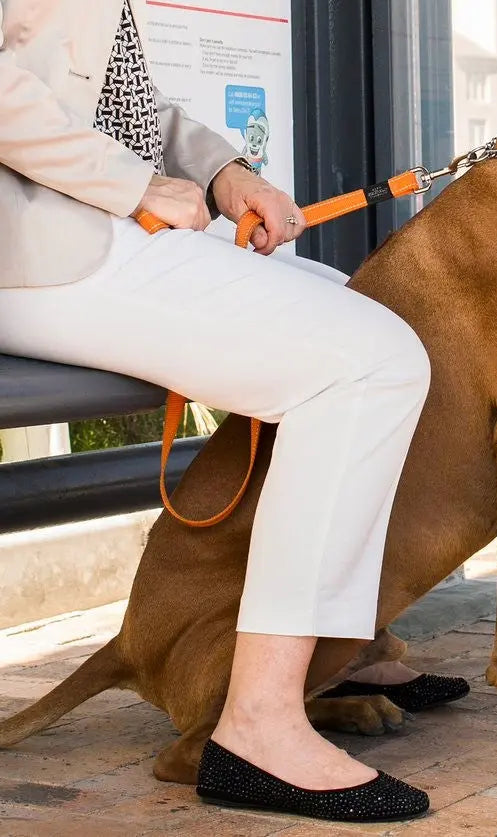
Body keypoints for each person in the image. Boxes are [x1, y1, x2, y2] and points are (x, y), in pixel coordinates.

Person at [0, 0, 465, 823]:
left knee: (375, 324)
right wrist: (135, 185)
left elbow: (119, 98)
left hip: (96, 219)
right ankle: (258, 722)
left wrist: (223, 173)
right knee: (369, 362)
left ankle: (334, 644)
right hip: (37, 239)